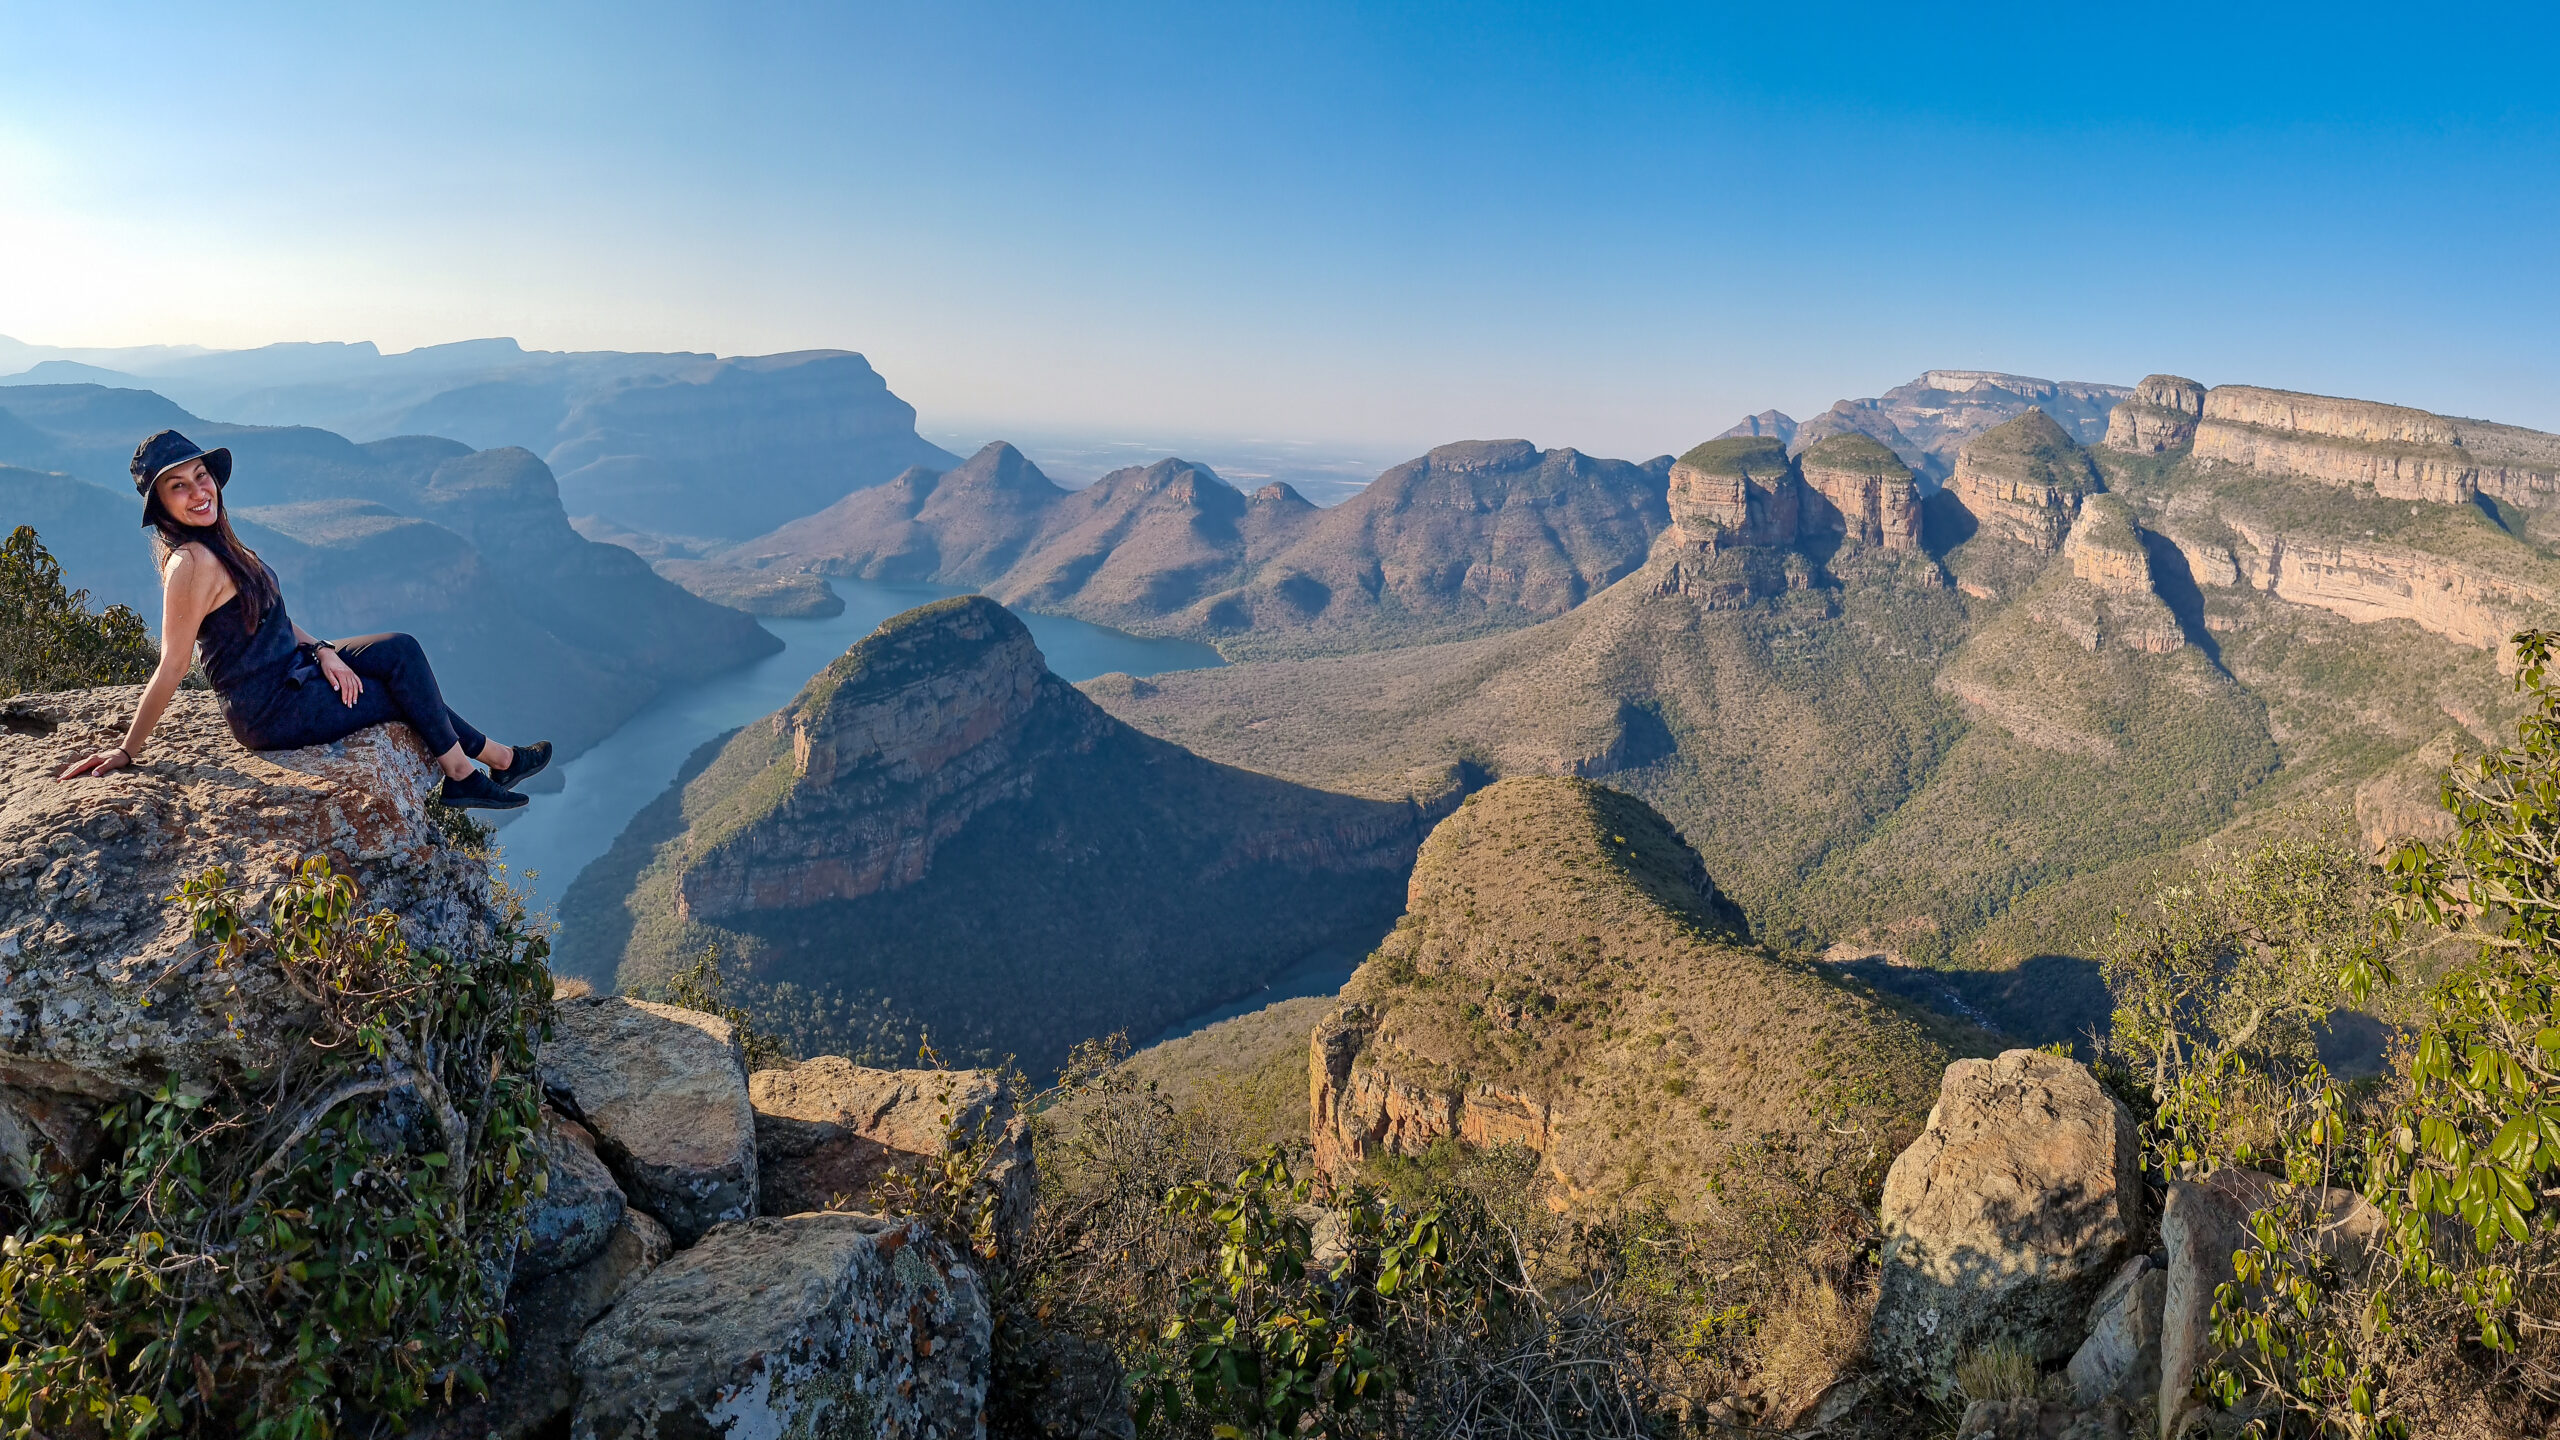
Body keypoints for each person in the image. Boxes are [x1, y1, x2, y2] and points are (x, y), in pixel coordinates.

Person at [55, 430, 548, 810]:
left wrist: (323, 650)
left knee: (400, 649)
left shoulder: (219, 543)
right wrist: (126, 750)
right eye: (177, 486)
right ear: (160, 505)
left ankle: (499, 761)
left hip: (297, 669)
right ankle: (464, 776)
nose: (198, 491)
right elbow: (171, 666)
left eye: (200, 475)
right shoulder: (190, 564)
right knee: (402, 695)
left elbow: (270, 615)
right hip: (271, 710)